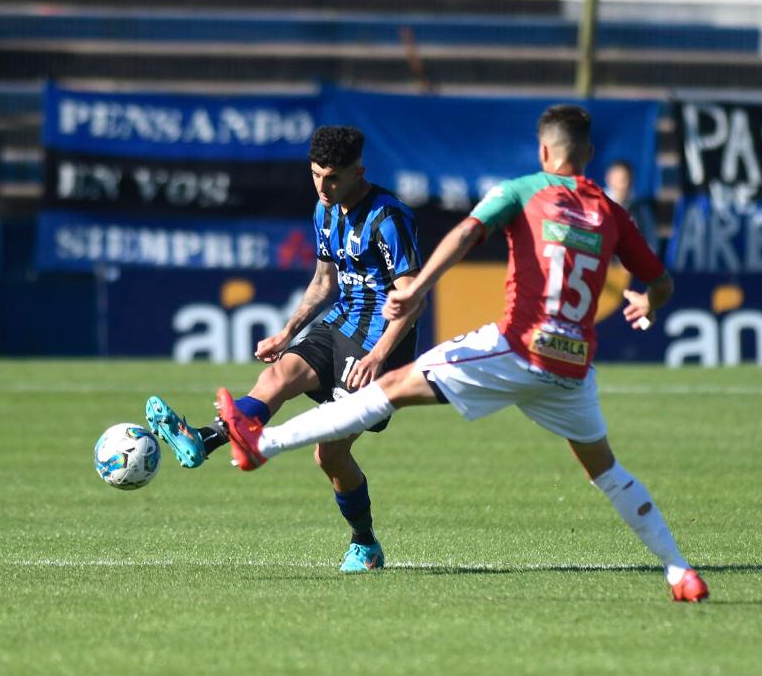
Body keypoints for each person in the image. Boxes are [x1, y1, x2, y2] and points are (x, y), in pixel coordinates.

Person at [216, 105, 709, 602]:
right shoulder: (611, 211)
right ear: (589, 155)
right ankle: (678, 571)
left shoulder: (521, 191)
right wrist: (648, 302)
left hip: (516, 349)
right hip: (573, 368)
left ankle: (263, 445)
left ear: (543, 152)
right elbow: (661, 281)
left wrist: (418, 286)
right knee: (606, 471)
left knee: (387, 388)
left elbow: (467, 232)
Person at [146, 125, 423, 573]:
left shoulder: (389, 217)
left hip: (379, 342)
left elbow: (411, 297)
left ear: (359, 172)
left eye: (332, 177)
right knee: (277, 376)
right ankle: (203, 440)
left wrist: (379, 357)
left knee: (329, 454)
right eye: (316, 175)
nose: (323, 186)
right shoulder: (324, 211)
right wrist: (287, 332)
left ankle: (365, 542)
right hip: (338, 324)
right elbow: (323, 281)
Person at [605, 159, 659, 255]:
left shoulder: (640, 209)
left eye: (629, 179)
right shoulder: (597, 206)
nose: (625, 184)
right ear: (609, 179)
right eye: (622, 180)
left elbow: (652, 244)